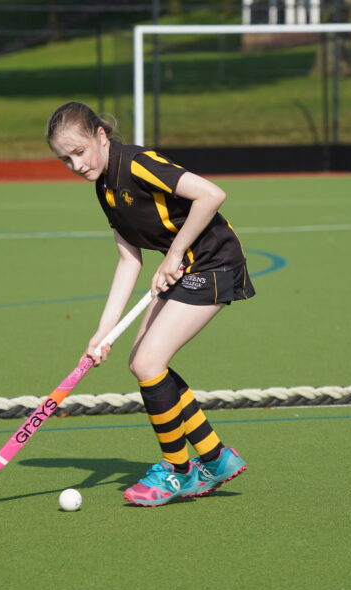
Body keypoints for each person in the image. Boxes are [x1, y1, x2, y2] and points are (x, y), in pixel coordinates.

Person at [46, 101, 255, 507]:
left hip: (214, 263)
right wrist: (103, 331)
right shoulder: (104, 187)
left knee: (148, 364)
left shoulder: (138, 164)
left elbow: (211, 195)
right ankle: (215, 458)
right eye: (65, 159)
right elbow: (129, 260)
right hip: (186, 268)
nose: (75, 164)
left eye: (79, 152)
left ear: (101, 136)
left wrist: (174, 253)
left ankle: (178, 470)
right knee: (141, 361)